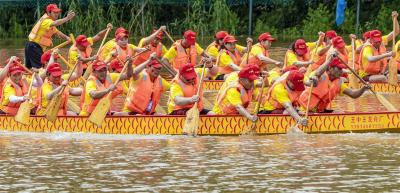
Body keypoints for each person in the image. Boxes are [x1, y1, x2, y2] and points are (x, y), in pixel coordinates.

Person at [299, 56, 370, 113]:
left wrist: (363, 88)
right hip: (305, 109)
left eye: (341, 69)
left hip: (319, 111)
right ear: (330, 68)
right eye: (339, 68)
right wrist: (329, 60)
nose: (341, 71)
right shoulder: (319, 75)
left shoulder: (338, 82)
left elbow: (353, 94)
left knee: (340, 112)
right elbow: (317, 73)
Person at [25, 3, 75, 69]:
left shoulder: (50, 24)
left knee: (29, 68)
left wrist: (67, 37)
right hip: (34, 47)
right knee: (40, 68)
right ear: (49, 12)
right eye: (54, 12)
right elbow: (56, 23)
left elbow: (58, 32)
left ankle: (29, 77)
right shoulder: (46, 21)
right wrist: (67, 18)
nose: (57, 14)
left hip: (32, 47)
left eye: (57, 12)